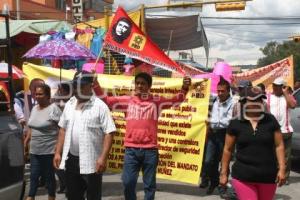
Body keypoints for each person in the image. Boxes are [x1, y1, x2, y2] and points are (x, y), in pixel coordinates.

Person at [93, 72, 191, 200]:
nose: (139, 86)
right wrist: (95, 83)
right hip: (131, 151)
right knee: (128, 183)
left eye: (143, 84)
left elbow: (176, 100)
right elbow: (106, 100)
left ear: (149, 86)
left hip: (150, 151)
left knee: (149, 186)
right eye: (137, 83)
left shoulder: (156, 101)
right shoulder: (126, 100)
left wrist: (184, 87)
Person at [53, 71, 116, 200]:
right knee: (73, 196)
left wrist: (103, 158)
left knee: (93, 196)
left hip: (91, 161)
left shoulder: (100, 106)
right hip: (71, 160)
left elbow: (109, 132)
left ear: (90, 86)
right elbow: (62, 129)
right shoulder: (69, 104)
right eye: (75, 85)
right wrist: (58, 152)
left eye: (81, 86)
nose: (77, 89)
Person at [220, 87, 286, 200]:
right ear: (244, 102)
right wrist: (224, 173)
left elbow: (279, 145)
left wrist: (282, 168)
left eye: (260, 100)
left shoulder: (271, 120)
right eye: (253, 100)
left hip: (268, 176)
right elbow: (228, 149)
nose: (257, 103)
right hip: (243, 176)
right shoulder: (236, 123)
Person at [24, 84, 62, 200]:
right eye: (36, 94)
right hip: (34, 150)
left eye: (41, 94)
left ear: (47, 95)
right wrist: (26, 141)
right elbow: (31, 127)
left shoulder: (54, 109)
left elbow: (62, 129)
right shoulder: (34, 109)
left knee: (49, 178)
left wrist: (58, 149)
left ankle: (51, 196)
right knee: (34, 176)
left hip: (49, 150)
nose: (38, 96)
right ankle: (31, 197)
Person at [200, 76, 233, 196]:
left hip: (225, 135)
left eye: (222, 91)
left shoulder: (233, 103)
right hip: (213, 135)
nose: (219, 93)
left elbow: (228, 121)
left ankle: (222, 186)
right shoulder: (214, 100)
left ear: (228, 91)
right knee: (208, 161)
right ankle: (214, 182)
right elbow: (199, 94)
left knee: (224, 162)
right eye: (218, 90)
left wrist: (210, 123)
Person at [267, 77, 297, 185]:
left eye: (278, 86)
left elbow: (293, 105)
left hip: (286, 130)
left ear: (282, 87)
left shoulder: (288, 97)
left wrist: (285, 93)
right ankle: (274, 174)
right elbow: (265, 111)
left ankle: (285, 176)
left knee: (286, 156)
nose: (275, 87)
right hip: (272, 131)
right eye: (274, 85)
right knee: (272, 155)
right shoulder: (268, 97)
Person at [52, 82, 73, 194]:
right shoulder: (58, 102)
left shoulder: (72, 103)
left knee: (69, 164)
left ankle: (70, 185)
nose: (59, 92)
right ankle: (64, 183)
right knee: (57, 163)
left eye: (61, 90)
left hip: (70, 138)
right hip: (59, 137)